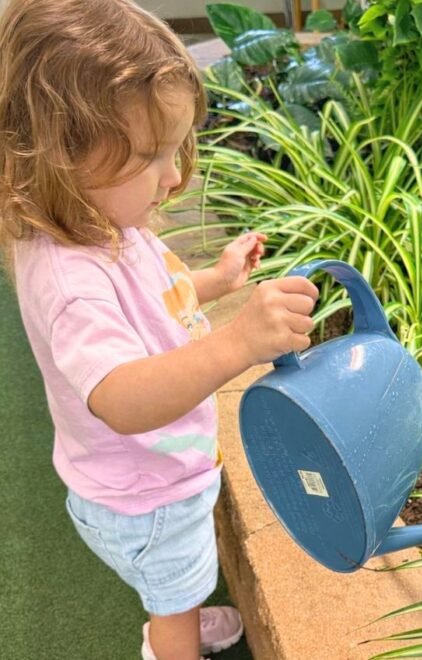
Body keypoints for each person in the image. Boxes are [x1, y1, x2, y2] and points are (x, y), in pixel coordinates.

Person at [0, 1, 319, 658]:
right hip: (147, 497)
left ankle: (182, 613)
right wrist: (237, 342)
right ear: (61, 157)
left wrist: (219, 280)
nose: (174, 178)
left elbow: (152, 302)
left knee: (180, 585)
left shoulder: (104, 224)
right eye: (151, 156)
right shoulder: (71, 281)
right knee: (174, 600)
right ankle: (172, 641)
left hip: (156, 478)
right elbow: (121, 397)